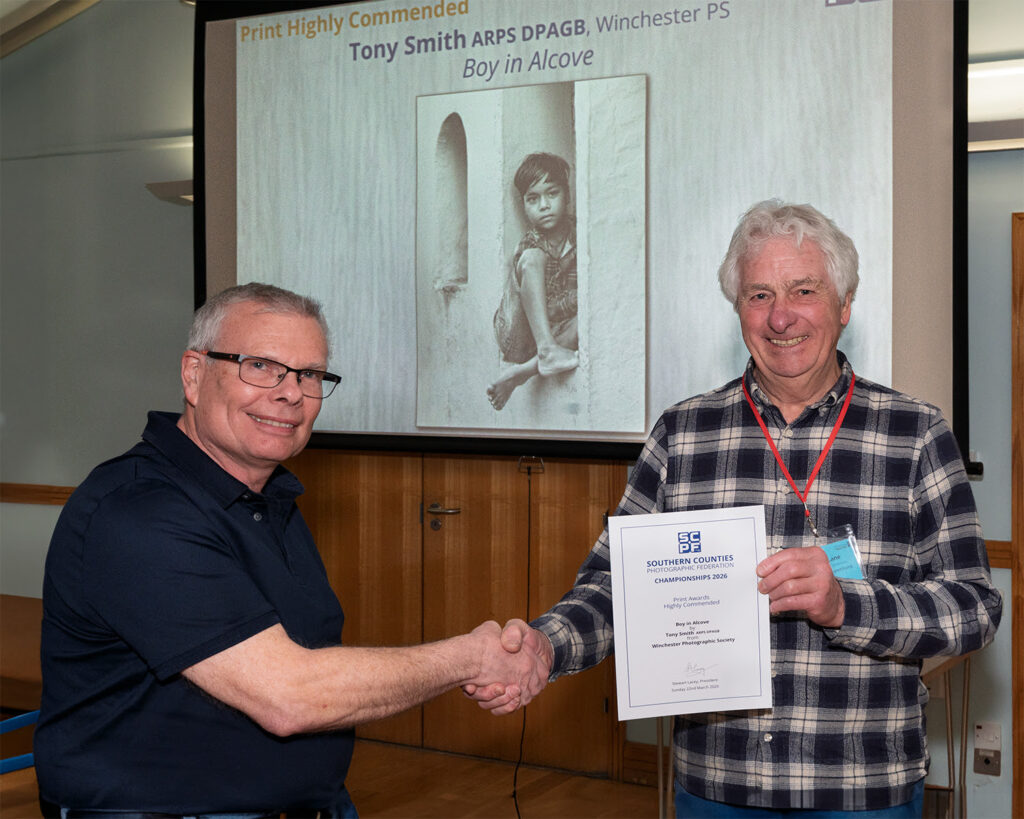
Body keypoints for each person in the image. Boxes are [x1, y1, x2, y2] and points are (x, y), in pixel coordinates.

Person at [469, 200, 1003, 815]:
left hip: (863, 787)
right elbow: (614, 587)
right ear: (737, 311)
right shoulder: (682, 433)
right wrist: (547, 646)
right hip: (717, 786)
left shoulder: (916, 433)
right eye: (758, 295)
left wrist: (845, 605)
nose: (781, 316)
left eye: (804, 290)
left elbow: (975, 607)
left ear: (844, 305)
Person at [35, 283, 544, 817]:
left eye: (310, 374)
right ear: (193, 374)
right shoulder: (138, 512)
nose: (290, 393)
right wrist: (470, 657)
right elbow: (289, 696)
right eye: (260, 365)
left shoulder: (269, 498)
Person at [487, 152, 579, 411]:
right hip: (519, 332)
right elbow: (545, 308)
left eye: (552, 194)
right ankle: (546, 350)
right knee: (530, 259)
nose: (544, 205)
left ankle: (526, 371)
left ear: (568, 196)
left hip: (556, 334)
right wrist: (577, 299)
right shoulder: (532, 243)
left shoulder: (581, 237)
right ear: (525, 205)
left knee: (590, 322)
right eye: (533, 199)